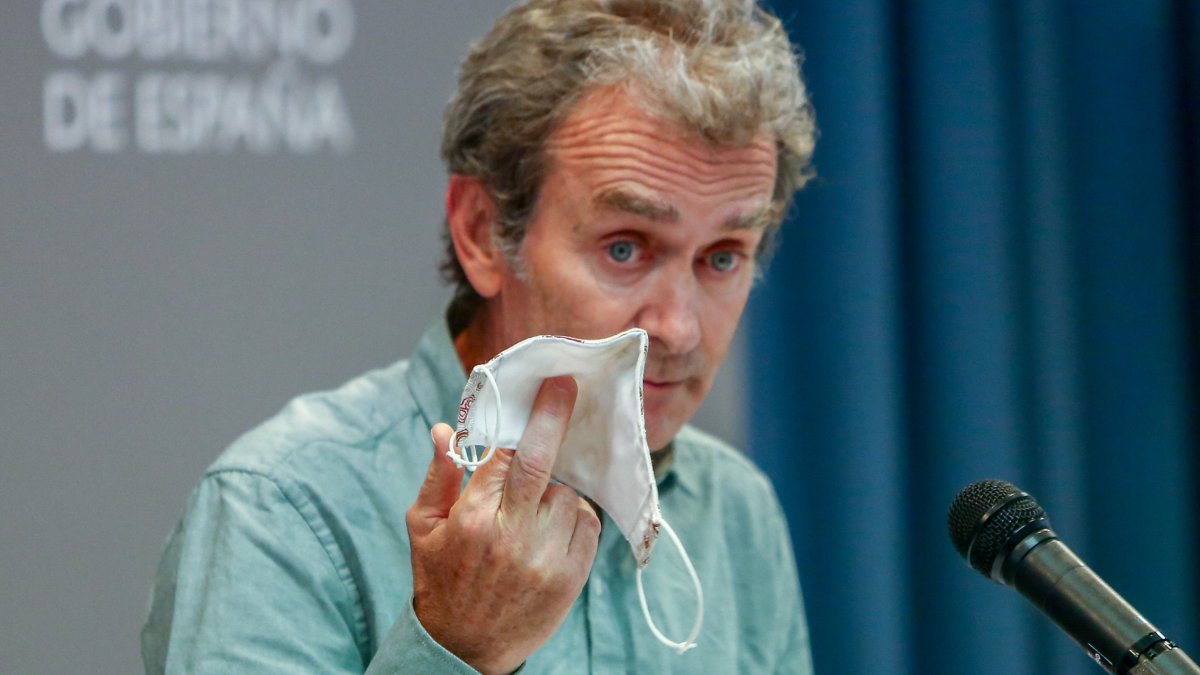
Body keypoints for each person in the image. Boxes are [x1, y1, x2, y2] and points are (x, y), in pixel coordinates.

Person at [141, 0, 817, 672]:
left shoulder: (738, 510)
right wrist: (458, 647)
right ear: (483, 233)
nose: (677, 326)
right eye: (625, 248)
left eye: (723, 256)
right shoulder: (280, 506)